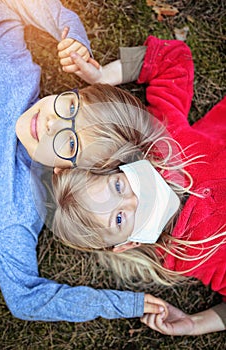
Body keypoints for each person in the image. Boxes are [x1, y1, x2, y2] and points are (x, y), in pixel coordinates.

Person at [0, 0, 166, 323]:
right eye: (70, 107)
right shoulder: (15, 69)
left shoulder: (10, 215)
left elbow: (25, 299)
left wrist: (123, 305)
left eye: (70, 142)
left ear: (65, 172)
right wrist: (72, 37)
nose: (49, 121)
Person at [52, 35, 226, 335]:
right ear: (127, 244)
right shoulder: (187, 256)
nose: (134, 200)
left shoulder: (161, 142)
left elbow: (174, 59)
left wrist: (103, 76)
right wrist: (196, 324)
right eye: (119, 218)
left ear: (122, 167)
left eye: (119, 186)